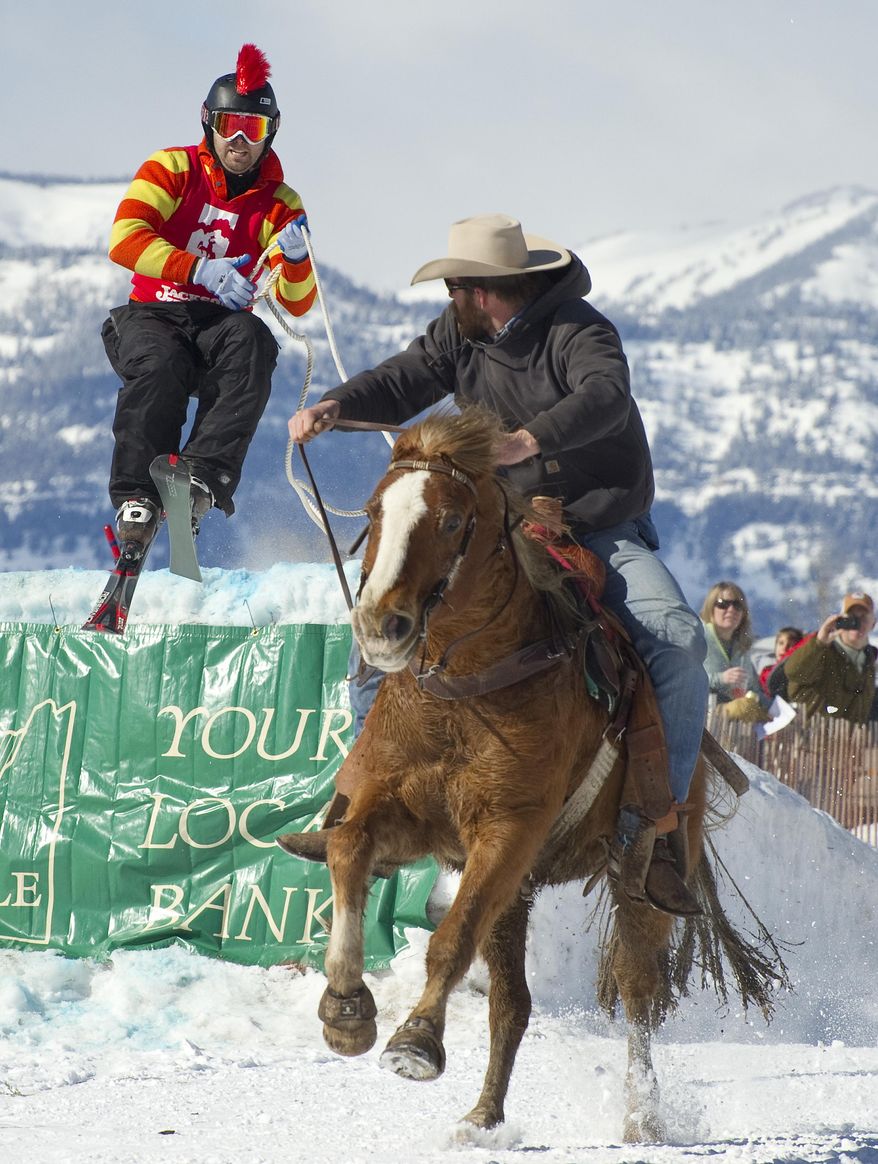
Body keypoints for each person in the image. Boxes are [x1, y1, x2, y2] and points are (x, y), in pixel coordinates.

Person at [289, 213, 709, 915]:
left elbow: (605, 397)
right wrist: (337, 405)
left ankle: (652, 831)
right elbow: (405, 379)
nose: (449, 298)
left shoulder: (581, 330)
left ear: (485, 290)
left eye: (456, 286)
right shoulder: (461, 335)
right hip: (500, 527)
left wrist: (529, 442)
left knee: (679, 644)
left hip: (599, 525)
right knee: (384, 632)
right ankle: (361, 808)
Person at [102, 43, 317, 554]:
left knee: (254, 341)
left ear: (271, 133)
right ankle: (137, 496)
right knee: (160, 365)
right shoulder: (171, 168)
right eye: (229, 125)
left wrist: (296, 259)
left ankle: (201, 479)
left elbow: (299, 304)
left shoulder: (280, 204)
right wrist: (197, 268)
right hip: (153, 312)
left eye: (254, 129)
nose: (240, 141)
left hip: (220, 327)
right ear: (209, 124)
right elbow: (124, 238)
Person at [782, 593, 877, 723]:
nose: (857, 623)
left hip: (850, 740)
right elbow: (793, 672)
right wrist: (819, 642)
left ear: (873, 624)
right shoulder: (821, 651)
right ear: (840, 620)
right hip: (811, 737)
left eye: (863, 617)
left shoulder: (870, 661)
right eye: (852, 617)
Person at [759, 626, 805, 699]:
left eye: (790, 645)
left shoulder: (800, 673)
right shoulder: (766, 671)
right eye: (781, 643)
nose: (784, 648)